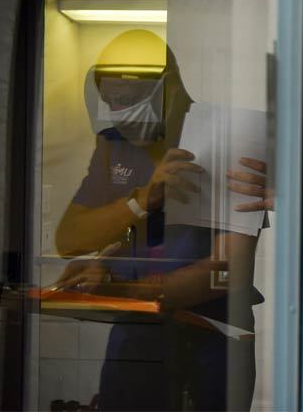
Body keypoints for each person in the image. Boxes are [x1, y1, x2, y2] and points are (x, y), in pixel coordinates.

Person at [54, 29, 267, 410]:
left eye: (130, 99)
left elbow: (227, 271)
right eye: (111, 100)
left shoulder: (230, 138)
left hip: (208, 336)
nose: (120, 111)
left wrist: (119, 291)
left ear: (167, 89)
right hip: (135, 334)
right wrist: (132, 216)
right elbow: (70, 239)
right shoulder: (115, 143)